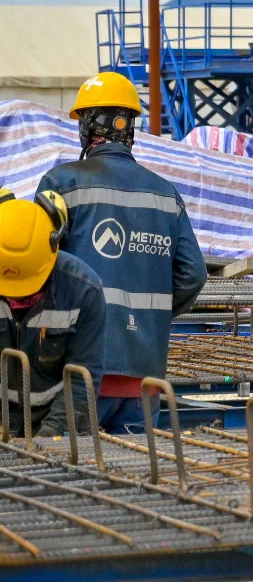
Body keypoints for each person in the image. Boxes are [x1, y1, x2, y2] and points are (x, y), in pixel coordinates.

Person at [36, 72, 204, 433]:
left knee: (69, 480)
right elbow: (193, 274)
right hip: (143, 377)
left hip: (78, 375)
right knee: (137, 477)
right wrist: (151, 313)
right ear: (130, 127)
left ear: (88, 124)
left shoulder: (61, 184)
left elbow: (36, 267)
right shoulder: (165, 195)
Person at [0, 187, 105, 438]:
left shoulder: (83, 290)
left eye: (26, 289)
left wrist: (50, 437)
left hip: (58, 423)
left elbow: (81, 379)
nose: (16, 298)